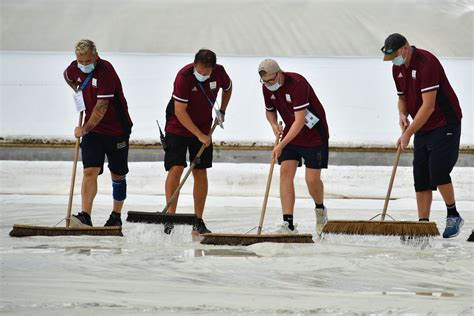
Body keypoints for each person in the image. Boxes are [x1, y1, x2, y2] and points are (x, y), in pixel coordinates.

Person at [381, 33, 463, 238]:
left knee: (438, 170)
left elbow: (428, 107)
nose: (394, 63)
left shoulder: (427, 63)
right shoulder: (397, 69)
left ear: (405, 49)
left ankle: (453, 214)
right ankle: (423, 224)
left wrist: (408, 133)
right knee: (421, 174)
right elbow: (402, 98)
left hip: (445, 121)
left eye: (395, 57)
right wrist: (402, 113)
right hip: (423, 124)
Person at [63, 39, 133, 227]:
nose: (84, 65)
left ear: (95, 56)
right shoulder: (74, 68)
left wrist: (83, 130)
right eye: (81, 61)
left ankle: (116, 216)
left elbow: (101, 108)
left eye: (87, 61)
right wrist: (79, 90)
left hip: (117, 129)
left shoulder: (106, 71)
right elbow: (67, 75)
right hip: (94, 131)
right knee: (89, 170)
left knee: (118, 174)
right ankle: (85, 215)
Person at [164, 49, 232, 234]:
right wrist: (198, 135)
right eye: (199, 71)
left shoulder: (220, 73)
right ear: (194, 65)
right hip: (177, 125)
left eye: (206, 73)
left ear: (213, 69)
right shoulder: (183, 77)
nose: (202, 75)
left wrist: (222, 110)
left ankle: (198, 220)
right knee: (176, 167)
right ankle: (170, 217)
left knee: (200, 171)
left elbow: (228, 88)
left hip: (203, 124)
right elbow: (180, 111)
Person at [258, 59, 329, 235]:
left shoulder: (298, 84)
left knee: (311, 180)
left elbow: (299, 121)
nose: (268, 85)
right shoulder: (267, 87)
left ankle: (320, 209)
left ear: (280, 73)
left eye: (271, 80)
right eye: (264, 82)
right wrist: (274, 124)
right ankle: (288, 224)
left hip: (313, 136)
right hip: (291, 136)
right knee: (285, 172)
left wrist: (281, 145)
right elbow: (270, 110)